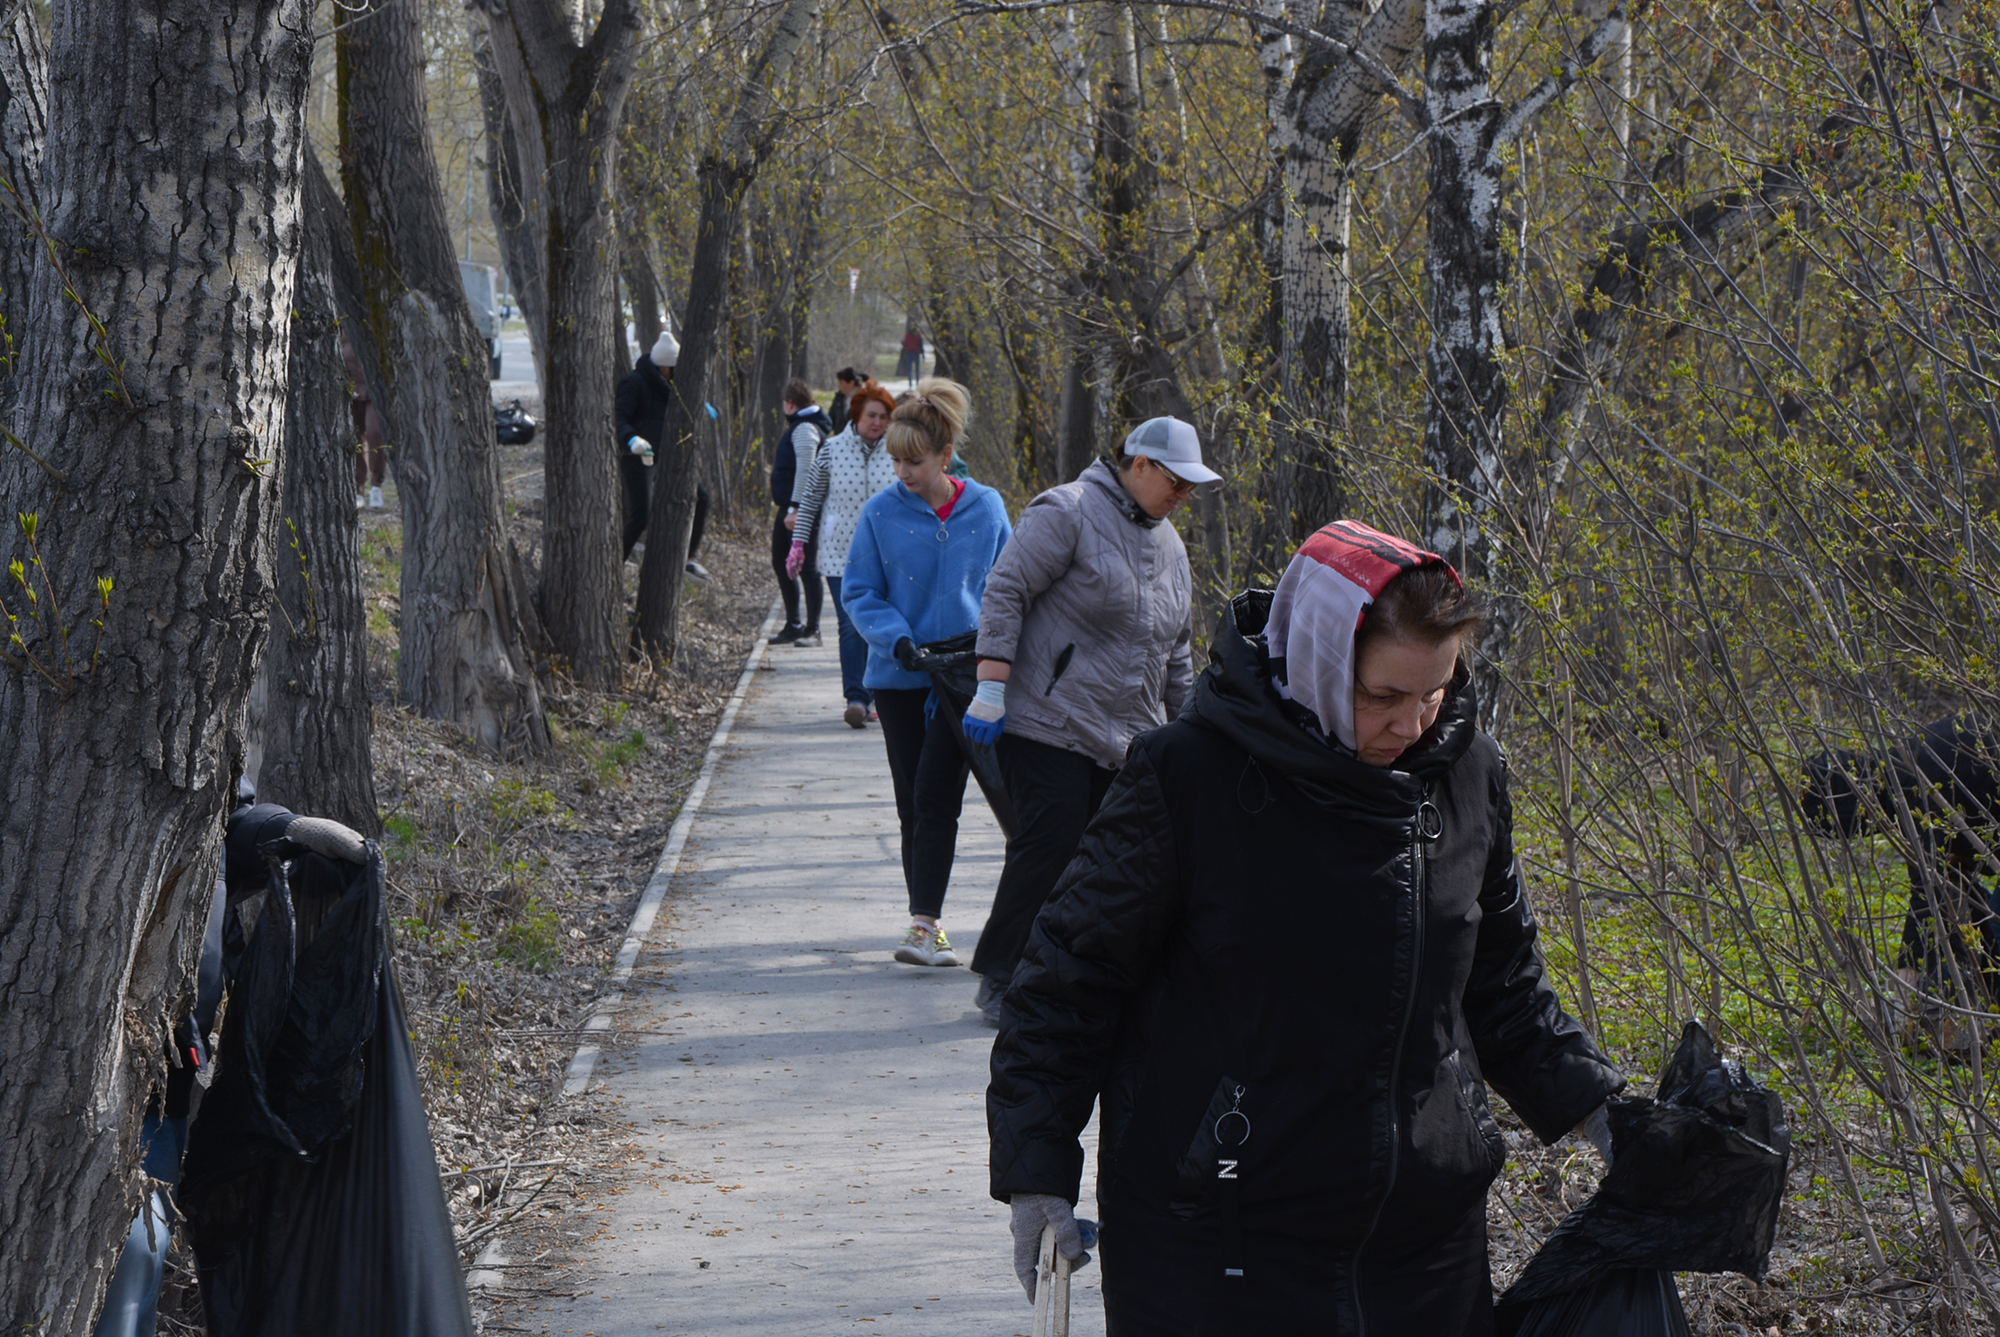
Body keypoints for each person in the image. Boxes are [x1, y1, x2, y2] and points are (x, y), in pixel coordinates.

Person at [987, 519, 1623, 1333]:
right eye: (1384, 696)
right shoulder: (1189, 776)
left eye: (1435, 691)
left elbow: (1503, 988)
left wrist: (1606, 1115)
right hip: (1219, 1239)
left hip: (1423, 1242)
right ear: (1318, 660)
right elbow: (1066, 979)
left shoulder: (1467, 774)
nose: (1414, 724)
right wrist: (1037, 1166)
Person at [961, 417, 1218, 1025]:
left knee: (1103, 862)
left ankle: (1064, 975)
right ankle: (1002, 976)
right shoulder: (1068, 511)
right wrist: (990, 687)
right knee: (1048, 846)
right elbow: (1006, 590)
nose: (1183, 496)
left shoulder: (1172, 548)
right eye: (1176, 483)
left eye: (1191, 488)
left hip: (1122, 735)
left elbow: (1175, 651)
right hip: (1044, 719)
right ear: (1139, 466)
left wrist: (1189, 734)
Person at [840, 378, 1012, 967]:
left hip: (963, 680)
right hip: (899, 677)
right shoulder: (880, 513)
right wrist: (899, 640)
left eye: (913, 461)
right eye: (894, 460)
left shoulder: (986, 508)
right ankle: (926, 921)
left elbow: (1009, 589)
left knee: (938, 797)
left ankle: (924, 924)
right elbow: (859, 593)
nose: (902, 472)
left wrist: (998, 662)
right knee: (913, 800)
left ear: (945, 455)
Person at [789, 383, 900, 726]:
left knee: (881, 627)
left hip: (889, 557)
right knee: (851, 626)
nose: (877, 423)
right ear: (857, 415)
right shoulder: (831, 450)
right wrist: (798, 544)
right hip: (841, 555)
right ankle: (856, 698)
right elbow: (811, 499)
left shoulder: (898, 453)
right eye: (871, 416)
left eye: (884, 417)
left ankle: (880, 695)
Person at [615, 327, 712, 580]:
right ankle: (613, 567)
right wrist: (631, 438)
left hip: (665, 455)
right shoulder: (634, 383)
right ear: (665, 367)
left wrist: (700, 405)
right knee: (641, 516)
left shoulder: (671, 385)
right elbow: (618, 419)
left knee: (701, 498)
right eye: (674, 369)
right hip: (638, 455)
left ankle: (688, 558)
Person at [769, 379, 831, 646]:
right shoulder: (801, 426)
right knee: (782, 563)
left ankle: (813, 629)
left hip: (801, 510)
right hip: (790, 507)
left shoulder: (805, 429)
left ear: (790, 403)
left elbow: (806, 472)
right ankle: (794, 623)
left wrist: (795, 509)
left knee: (806, 567)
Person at [341, 332, 387, 510]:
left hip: (375, 384)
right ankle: (358, 488)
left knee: (375, 431)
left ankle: (376, 484)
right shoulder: (341, 315)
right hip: (351, 383)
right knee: (355, 436)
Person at [829, 367, 864, 435]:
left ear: (851, 383)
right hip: (840, 441)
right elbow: (830, 419)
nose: (839, 386)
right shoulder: (838, 398)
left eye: (841, 383)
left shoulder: (865, 400)